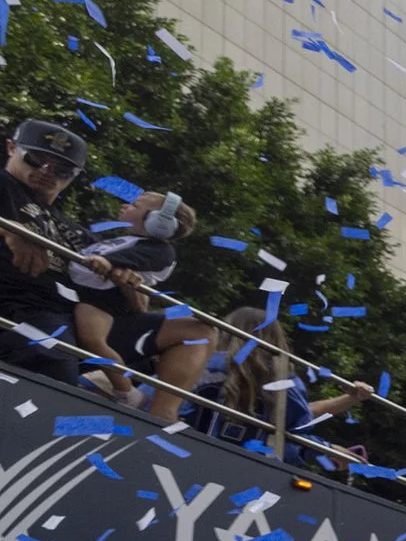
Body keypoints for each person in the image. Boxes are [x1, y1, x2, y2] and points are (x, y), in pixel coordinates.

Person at [65, 189, 215, 421]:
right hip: (81, 296)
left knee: (92, 339)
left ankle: (125, 391)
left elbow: (138, 259)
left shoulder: (161, 250)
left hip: (103, 302)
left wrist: (112, 263)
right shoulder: (123, 238)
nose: (125, 206)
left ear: (158, 222)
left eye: (135, 205)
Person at [202, 306, 373, 460]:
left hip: (192, 452)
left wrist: (349, 399)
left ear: (228, 331)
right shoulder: (285, 383)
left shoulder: (205, 365)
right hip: (251, 472)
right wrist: (327, 449)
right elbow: (297, 424)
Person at [0, 119, 93, 383]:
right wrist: (11, 229)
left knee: (192, 329)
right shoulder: (4, 184)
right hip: (20, 309)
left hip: (75, 321)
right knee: (55, 366)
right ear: (11, 148)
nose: (46, 171)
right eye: (34, 158)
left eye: (62, 170)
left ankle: (157, 411)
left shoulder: (74, 230)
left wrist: (127, 279)